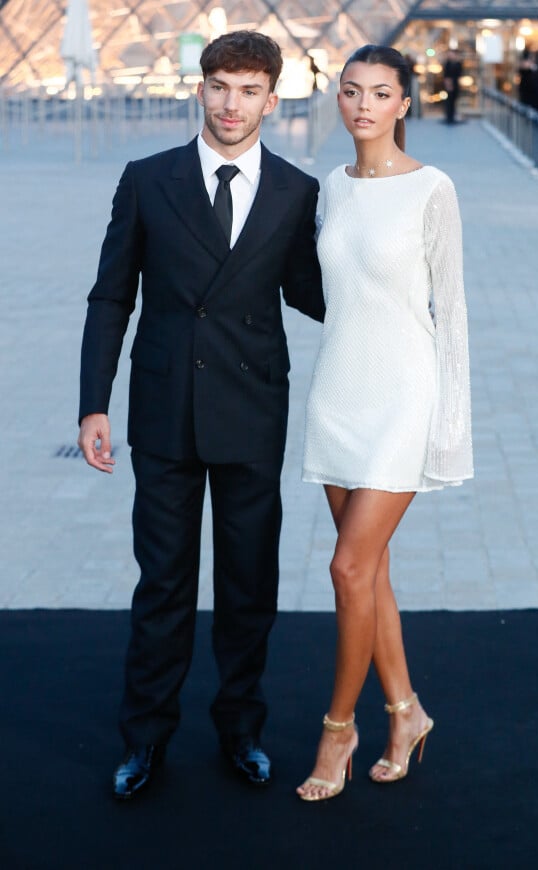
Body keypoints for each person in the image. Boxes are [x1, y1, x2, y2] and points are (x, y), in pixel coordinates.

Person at [77, 30, 324, 800]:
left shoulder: (296, 190)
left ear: (272, 100)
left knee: (249, 584)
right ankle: (145, 737)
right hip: (164, 412)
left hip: (252, 411)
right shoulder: (148, 180)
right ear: (200, 88)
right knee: (164, 585)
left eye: (249, 90)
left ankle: (240, 730)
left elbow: (313, 296)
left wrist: (392, 276)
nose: (230, 103)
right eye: (219, 85)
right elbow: (112, 295)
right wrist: (93, 402)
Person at [297, 44, 473, 802]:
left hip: (405, 395)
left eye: (380, 93)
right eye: (350, 91)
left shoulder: (434, 188)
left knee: (345, 568)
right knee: (372, 573)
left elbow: (452, 314)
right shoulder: (331, 188)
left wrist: (448, 424)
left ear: (405, 104)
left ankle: (340, 730)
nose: (363, 105)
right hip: (339, 391)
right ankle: (407, 713)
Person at [443, 47, 463, 124]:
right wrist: (448, 84)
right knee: (449, 102)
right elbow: (446, 76)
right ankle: (449, 117)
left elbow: (459, 74)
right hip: (449, 85)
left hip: (455, 84)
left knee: (453, 101)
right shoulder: (447, 64)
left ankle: (452, 116)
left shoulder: (458, 63)